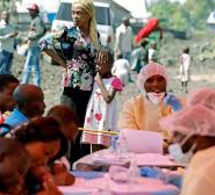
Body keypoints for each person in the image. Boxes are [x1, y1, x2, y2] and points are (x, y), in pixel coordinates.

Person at [39, 0, 107, 158]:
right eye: (73, 12)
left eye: (79, 13)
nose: (75, 16)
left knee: (84, 124)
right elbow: (43, 43)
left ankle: (81, 161)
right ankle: (65, 160)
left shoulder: (94, 35)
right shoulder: (67, 33)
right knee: (68, 123)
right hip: (71, 85)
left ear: (88, 14)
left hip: (89, 86)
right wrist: (62, 62)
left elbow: (96, 56)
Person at [117, 63, 184, 142]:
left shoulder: (177, 103)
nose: (155, 84)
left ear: (166, 81)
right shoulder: (132, 105)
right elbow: (128, 133)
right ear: (142, 84)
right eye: (150, 80)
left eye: (160, 80)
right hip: (139, 152)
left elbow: (184, 134)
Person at [160, 104, 215, 195]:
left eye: (176, 134)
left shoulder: (207, 169)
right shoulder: (203, 159)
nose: (170, 141)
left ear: (195, 136)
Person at [14, 117, 68, 194]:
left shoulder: (29, 172)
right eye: (46, 152)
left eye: (49, 158)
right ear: (32, 137)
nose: (44, 161)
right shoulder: (6, 163)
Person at [82, 52, 123, 152]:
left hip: (107, 119)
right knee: (95, 149)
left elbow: (108, 98)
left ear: (109, 65)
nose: (97, 67)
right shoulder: (94, 78)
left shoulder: (115, 80)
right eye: (96, 64)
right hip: (94, 119)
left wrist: (99, 82)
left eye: (100, 64)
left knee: (107, 149)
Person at [21, 3, 46, 86]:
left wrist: (29, 38)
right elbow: (44, 30)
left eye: (31, 10)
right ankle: (37, 85)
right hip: (35, 46)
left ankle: (24, 84)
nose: (29, 12)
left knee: (28, 66)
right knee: (36, 67)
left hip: (34, 46)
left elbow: (40, 32)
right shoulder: (36, 19)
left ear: (35, 11)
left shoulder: (37, 20)